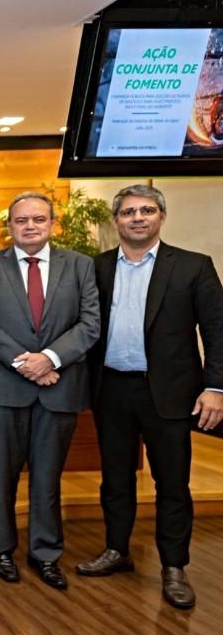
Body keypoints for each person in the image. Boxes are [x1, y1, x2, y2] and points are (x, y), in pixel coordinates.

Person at [77, 184, 223, 609]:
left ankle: (174, 567)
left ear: (161, 216)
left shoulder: (194, 266)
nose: (137, 218)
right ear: (116, 220)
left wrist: (215, 388)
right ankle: (117, 550)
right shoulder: (96, 267)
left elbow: (217, 331)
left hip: (171, 393)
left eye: (146, 210)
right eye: (127, 212)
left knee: (172, 483)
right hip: (111, 390)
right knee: (115, 478)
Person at [0, 192, 99, 590]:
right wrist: (27, 363)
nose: (30, 226)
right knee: (1, 476)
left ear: (52, 224)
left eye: (38, 219)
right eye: (21, 220)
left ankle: (45, 554)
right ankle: (1, 550)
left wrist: (51, 359)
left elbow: (90, 323)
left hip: (59, 387)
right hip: (2, 387)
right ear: (9, 226)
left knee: (48, 478)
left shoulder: (79, 265)